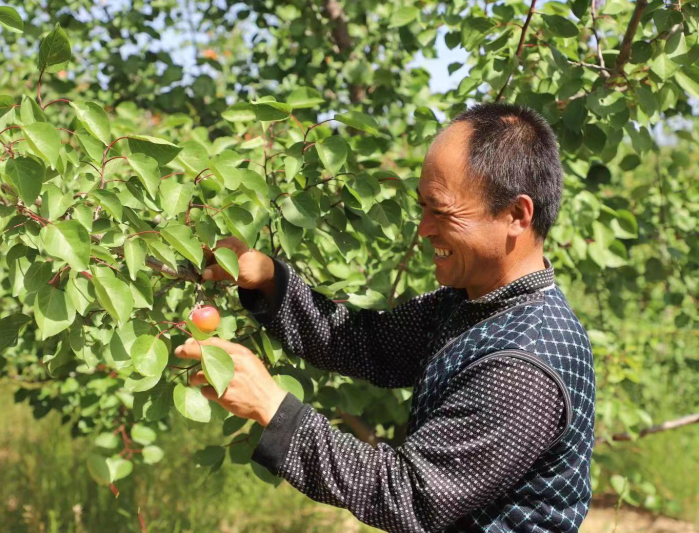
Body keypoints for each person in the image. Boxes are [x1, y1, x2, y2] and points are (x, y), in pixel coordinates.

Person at [174, 103, 595, 532]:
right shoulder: (474, 303)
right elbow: (366, 343)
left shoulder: (524, 365)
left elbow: (409, 496)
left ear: (516, 215)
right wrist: (268, 279)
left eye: (441, 211)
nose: (424, 229)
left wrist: (272, 407)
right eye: (422, 208)